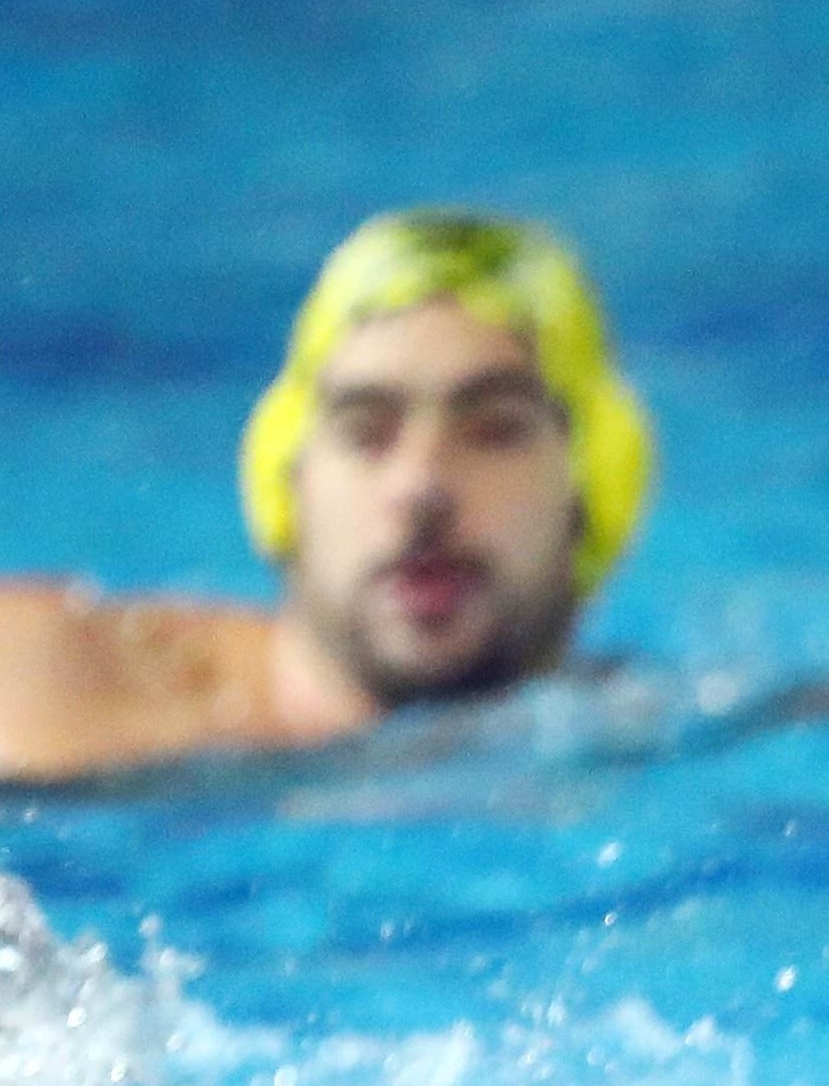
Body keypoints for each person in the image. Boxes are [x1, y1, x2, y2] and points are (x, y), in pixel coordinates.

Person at [0, 210, 655, 784]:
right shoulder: (43, 684)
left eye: (493, 431)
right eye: (365, 433)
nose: (420, 487)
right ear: (288, 479)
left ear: (595, 484)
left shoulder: (644, 734)